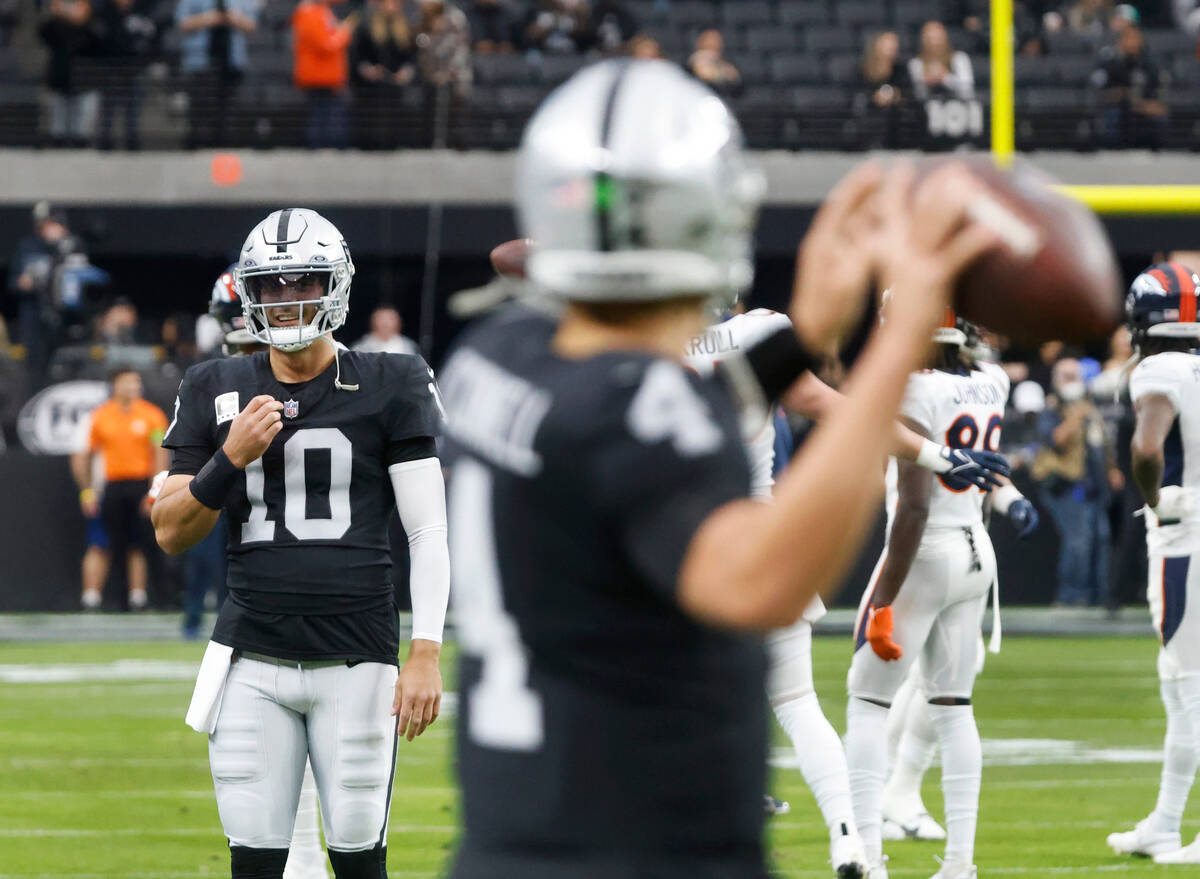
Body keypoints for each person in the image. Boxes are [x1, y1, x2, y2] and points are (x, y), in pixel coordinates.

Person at [441, 58, 1006, 879]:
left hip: (512, 829)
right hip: (634, 842)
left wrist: (807, 326)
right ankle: (853, 838)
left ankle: (852, 838)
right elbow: (755, 577)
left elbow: (666, 379)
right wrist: (894, 342)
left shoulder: (493, 358)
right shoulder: (640, 408)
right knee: (800, 700)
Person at [152, 208, 449, 879]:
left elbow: (428, 528)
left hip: (358, 656)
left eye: (303, 280)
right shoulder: (213, 385)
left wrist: (426, 648)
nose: (289, 299)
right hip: (251, 654)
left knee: (357, 858)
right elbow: (170, 530)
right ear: (250, 294)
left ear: (336, 281)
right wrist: (229, 457)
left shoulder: (391, 379)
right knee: (254, 864)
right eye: (273, 285)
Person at [683, 306, 1010, 877]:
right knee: (802, 703)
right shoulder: (991, 380)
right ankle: (850, 840)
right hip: (776, 541)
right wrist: (942, 457)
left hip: (683, 551)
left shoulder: (638, 348)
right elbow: (841, 414)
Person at [844, 309, 1037, 879]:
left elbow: (914, 504)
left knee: (867, 702)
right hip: (976, 551)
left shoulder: (913, 385)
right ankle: (959, 865)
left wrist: (883, 596)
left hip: (924, 551)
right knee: (954, 708)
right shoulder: (992, 380)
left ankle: (868, 861)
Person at [1108, 262, 1200, 864]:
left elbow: (1146, 448)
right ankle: (1164, 823)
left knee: (1190, 689)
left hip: (1185, 537)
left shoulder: (1158, 370)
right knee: (1178, 686)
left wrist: (1153, 499)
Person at [72, 367, 168, 610]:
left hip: (139, 485)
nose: (133, 387)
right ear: (115, 385)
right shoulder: (99, 416)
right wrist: (87, 491)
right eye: (127, 382)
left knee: (138, 543)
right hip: (110, 486)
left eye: (136, 383)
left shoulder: (152, 415)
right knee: (101, 541)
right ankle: (92, 599)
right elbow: (82, 456)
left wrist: (153, 492)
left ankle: (138, 597)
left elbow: (160, 454)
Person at [1032, 356, 1119, 606]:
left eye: (1075, 375)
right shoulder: (1051, 408)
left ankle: (1098, 595)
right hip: (1065, 485)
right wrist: (1076, 416)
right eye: (1066, 376)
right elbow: (1054, 440)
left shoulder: (1090, 407)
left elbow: (1101, 442)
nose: (1072, 381)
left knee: (1100, 539)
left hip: (1093, 485)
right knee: (1077, 541)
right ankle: (1071, 596)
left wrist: (1111, 469)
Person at [175, 0, 257, 148]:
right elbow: (181, 22)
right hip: (200, 63)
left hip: (231, 63)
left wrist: (233, 18)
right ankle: (198, 147)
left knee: (227, 111)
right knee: (200, 110)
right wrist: (208, 18)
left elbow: (251, 24)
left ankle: (223, 147)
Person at [7, 203, 71, 381]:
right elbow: (13, 283)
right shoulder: (27, 247)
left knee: (62, 362)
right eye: (44, 223)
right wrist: (22, 284)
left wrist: (59, 245)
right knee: (34, 365)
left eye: (51, 223)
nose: (47, 227)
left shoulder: (70, 245)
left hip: (64, 315)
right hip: (34, 314)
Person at [349, 0, 415, 150]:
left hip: (394, 85)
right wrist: (367, 69)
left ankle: (392, 143)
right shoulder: (366, 25)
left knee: (392, 118)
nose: (392, 7)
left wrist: (405, 72)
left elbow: (410, 57)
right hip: (371, 86)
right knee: (371, 118)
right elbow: (357, 55)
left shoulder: (405, 28)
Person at [92, 0, 157, 150]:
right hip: (110, 65)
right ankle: (105, 140)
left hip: (133, 66)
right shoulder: (105, 12)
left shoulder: (141, 11)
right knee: (108, 105)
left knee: (133, 106)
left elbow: (150, 35)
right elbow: (100, 37)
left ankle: (132, 140)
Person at [293, 0, 357, 149]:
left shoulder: (322, 11)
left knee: (326, 113)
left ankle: (327, 146)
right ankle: (319, 147)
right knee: (321, 114)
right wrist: (345, 33)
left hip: (327, 74)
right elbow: (326, 44)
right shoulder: (309, 13)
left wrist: (341, 30)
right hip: (318, 74)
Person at [1092, 23, 1168, 149]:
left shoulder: (1149, 66)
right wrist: (1124, 95)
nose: (1132, 42)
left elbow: (1157, 94)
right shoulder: (1110, 63)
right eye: (1128, 38)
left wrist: (1152, 104)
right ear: (1120, 42)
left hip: (1143, 113)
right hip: (1118, 112)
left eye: (1135, 38)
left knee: (1159, 115)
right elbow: (1099, 93)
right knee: (1113, 114)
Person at [37, 0, 98, 147]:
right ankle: (58, 142)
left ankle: (80, 142)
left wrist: (82, 22)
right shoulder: (57, 27)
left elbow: (97, 44)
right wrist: (57, 16)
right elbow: (43, 34)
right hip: (60, 78)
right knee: (58, 119)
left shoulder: (90, 28)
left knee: (82, 120)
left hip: (85, 79)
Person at [415, 0, 472, 148]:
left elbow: (461, 50)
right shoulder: (420, 17)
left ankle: (458, 143)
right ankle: (428, 142)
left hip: (456, 75)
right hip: (431, 76)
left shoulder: (456, 17)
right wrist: (432, 73)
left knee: (457, 102)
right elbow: (422, 52)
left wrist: (448, 72)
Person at [907, 20, 974, 101]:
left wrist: (945, 78)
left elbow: (968, 89)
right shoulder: (916, 63)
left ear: (945, 39)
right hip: (925, 107)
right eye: (930, 39)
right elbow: (915, 93)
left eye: (938, 38)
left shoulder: (959, 58)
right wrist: (925, 81)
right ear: (923, 41)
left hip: (957, 106)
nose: (934, 43)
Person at [687, 28, 740, 97]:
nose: (714, 43)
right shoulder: (695, 61)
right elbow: (704, 74)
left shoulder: (724, 64)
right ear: (700, 41)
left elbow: (735, 78)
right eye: (710, 40)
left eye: (717, 41)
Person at [353, 305, 419, 355]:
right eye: (381, 319)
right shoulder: (360, 348)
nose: (385, 323)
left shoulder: (408, 347)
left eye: (390, 319)